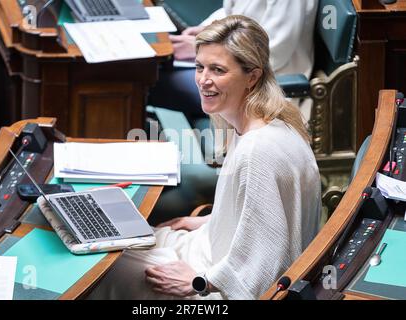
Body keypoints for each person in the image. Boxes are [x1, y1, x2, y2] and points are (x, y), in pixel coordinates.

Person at [89, 15, 321, 300]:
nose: (203, 80)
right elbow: (262, 221)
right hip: (208, 250)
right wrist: (210, 221)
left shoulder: (258, 151)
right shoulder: (269, 121)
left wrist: (200, 283)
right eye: (200, 67)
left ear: (253, 76)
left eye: (218, 70)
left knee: (100, 269)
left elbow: (265, 268)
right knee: (108, 241)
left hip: (217, 287)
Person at [148, 0, 319, 121]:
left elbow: (275, 50)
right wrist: (206, 31)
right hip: (230, 64)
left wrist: (201, 49)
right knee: (150, 69)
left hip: (267, 79)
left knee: (148, 81)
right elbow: (232, 13)